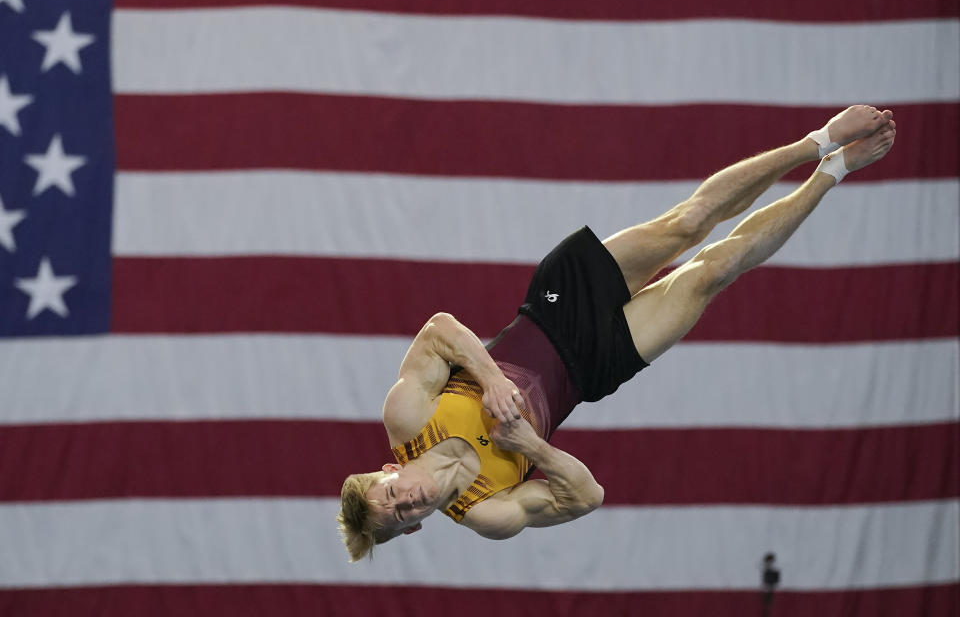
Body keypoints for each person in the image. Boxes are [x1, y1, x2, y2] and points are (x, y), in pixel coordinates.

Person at [337, 105, 897, 561]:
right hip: (592, 368)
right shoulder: (488, 511)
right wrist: (531, 446)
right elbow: (586, 497)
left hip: (554, 309)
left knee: (688, 223)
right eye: (404, 517)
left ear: (388, 471)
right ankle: (834, 171)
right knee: (714, 271)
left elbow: (440, 331)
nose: (409, 502)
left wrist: (490, 380)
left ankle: (817, 141)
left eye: (393, 495)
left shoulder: (407, 419)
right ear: (413, 531)